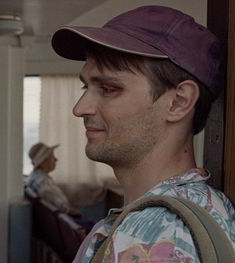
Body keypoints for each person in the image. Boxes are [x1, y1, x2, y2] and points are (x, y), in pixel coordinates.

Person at [50, 5, 235, 262]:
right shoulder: (205, 203)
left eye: (109, 88)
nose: (80, 108)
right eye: (86, 86)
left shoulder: (155, 238)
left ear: (179, 102)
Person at [24, 142, 81, 216]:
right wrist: (72, 211)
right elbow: (62, 208)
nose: (56, 159)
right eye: (52, 156)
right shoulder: (42, 182)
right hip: (64, 220)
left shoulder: (36, 177)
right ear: (43, 162)